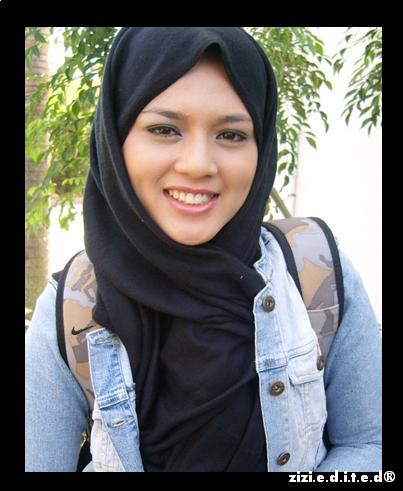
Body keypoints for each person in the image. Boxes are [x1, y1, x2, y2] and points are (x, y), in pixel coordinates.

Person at [25, 27, 381, 473]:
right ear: (115, 140)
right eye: (164, 129)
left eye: (231, 135)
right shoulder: (72, 309)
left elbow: (369, 443)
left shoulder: (317, 274)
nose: (197, 164)